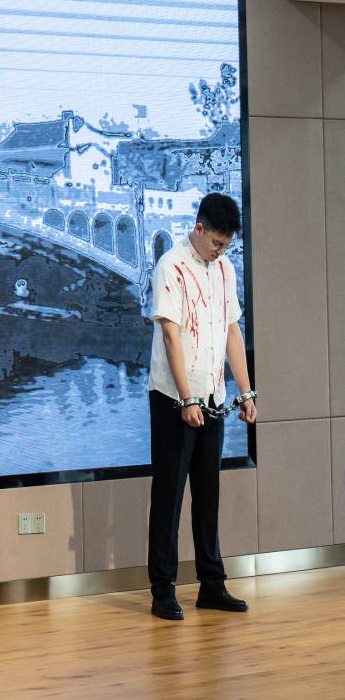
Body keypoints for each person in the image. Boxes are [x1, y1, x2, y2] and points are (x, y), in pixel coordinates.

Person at [147, 192, 257, 621]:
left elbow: (232, 331)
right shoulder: (170, 265)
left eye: (226, 245)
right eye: (216, 242)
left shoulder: (225, 269)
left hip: (212, 398)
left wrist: (246, 392)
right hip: (173, 400)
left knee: (208, 498)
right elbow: (171, 335)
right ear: (199, 228)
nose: (220, 251)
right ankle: (163, 591)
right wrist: (186, 397)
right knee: (169, 498)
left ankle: (212, 585)